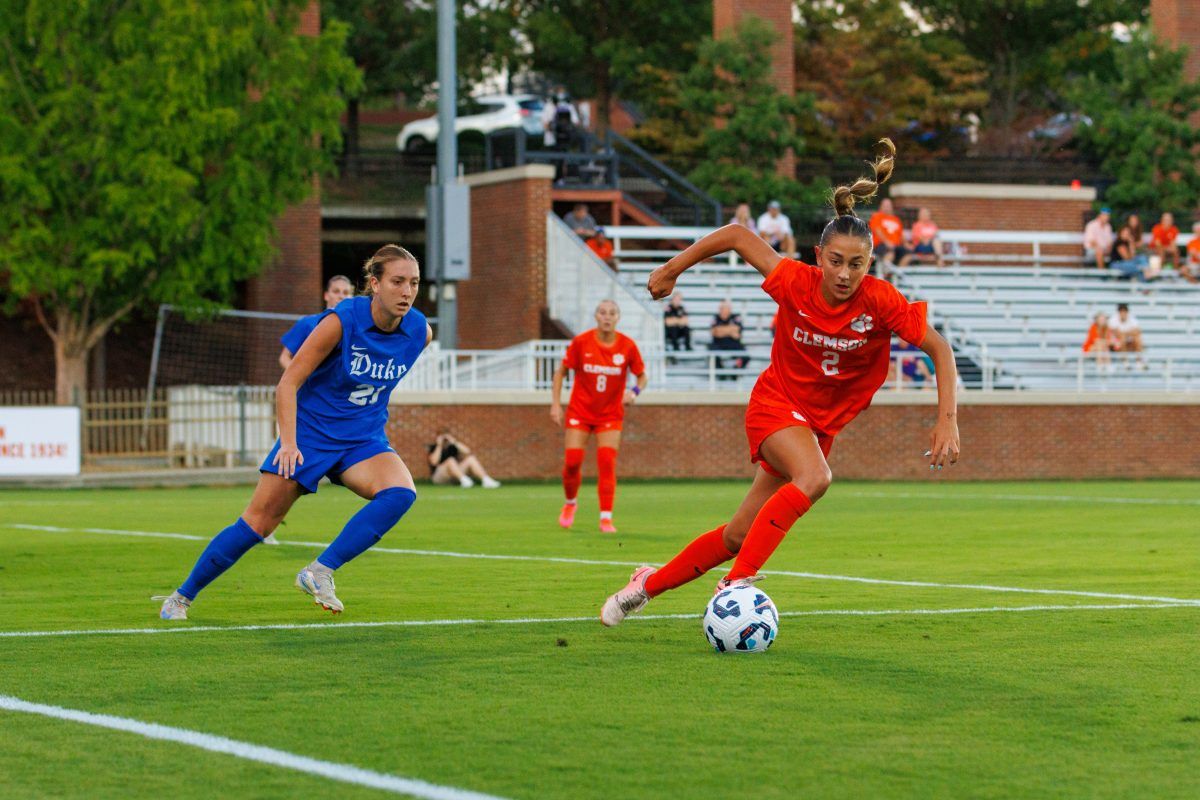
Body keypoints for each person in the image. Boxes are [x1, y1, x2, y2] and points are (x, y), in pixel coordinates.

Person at [600, 139, 960, 627]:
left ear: (869, 265)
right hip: (776, 405)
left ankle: (644, 585)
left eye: (856, 264)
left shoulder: (880, 301)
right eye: (835, 261)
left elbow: (939, 348)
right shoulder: (795, 280)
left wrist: (947, 422)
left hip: (818, 425)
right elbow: (734, 233)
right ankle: (734, 587)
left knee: (736, 536)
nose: (844, 273)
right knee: (815, 479)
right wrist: (670, 269)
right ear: (819, 255)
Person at [155, 245, 432, 621]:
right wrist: (288, 442)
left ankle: (319, 571)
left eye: (414, 283)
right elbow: (288, 383)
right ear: (374, 284)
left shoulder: (419, 332)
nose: (407, 291)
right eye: (397, 281)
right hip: (309, 437)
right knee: (256, 525)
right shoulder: (340, 321)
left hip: (362, 440)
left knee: (401, 493)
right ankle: (181, 597)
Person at [550, 300, 647, 534]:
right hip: (580, 412)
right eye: (603, 312)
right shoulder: (581, 342)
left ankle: (606, 518)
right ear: (596, 316)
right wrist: (555, 404)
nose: (607, 317)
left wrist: (633, 392)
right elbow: (561, 371)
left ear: (618, 318)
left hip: (610, 414)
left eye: (612, 313)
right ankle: (570, 503)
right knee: (572, 462)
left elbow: (642, 377)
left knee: (606, 462)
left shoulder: (627, 346)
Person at [278, 275, 355, 371]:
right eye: (336, 291)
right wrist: (300, 380)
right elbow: (284, 358)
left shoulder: (356, 327)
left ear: (352, 297)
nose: (341, 296)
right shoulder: (308, 322)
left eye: (346, 292)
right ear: (326, 295)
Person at [427, 428, 500, 488]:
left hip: (454, 475)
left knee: (471, 459)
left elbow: (468, 451)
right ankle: (465, 480)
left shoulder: (453, 447)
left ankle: (486, 480)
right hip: (440, 476)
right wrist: (439, 445)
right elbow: (434, 462)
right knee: (450, 460)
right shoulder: (434, 447)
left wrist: (454, 442)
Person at [709, 299, 747, 379]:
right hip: (719, 344)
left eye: (726, 308)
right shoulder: (715, 317)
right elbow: (715, 333)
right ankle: (721, 374)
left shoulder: (735, 317)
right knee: (712, 352)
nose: (724, 310)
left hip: (733, 343)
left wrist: (721, 330)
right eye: (722, 308)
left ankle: (735, 373)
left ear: (730, 309)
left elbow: (737, 334)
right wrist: (730, 330)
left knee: (746, 356)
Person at [868, 198, 904, 277]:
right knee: (890, 250)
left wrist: (907, 245)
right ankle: (887, 272)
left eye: (889, 205)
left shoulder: (896, 219)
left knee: (907, 253)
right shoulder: (876, 216)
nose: (887, 207)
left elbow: (901, 236)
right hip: (880, 245)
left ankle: (896, 275)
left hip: (896, 245)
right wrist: (887, 242)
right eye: (885, 205)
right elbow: (877, 231)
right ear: (881, 207)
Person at [1109, 303, 1144, 368]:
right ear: (1118, 312)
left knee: (1137, 339)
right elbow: (1115, 333)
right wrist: (1128, 333)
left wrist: (1124, 333)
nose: (1123, 313)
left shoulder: (1132, 319)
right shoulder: (1113, 319)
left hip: (1129, 343)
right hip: (1117, 344)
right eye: (1121, 311)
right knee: (1122, 338)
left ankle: (1139, 361)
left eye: (1124, 311)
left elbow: (1137, 331)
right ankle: (1125, 361)